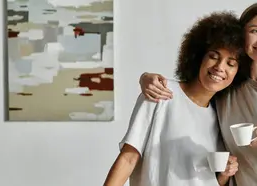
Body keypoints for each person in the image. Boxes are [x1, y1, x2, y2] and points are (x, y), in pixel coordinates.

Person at [138, 3, 257, 186]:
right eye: (255, 31)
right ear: (241, 36)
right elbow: (191, 94)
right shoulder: (226, 87)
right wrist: (146, 78)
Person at [103, 11, 247, 186]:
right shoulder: (161, 93)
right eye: (213, 56)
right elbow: (128, 158)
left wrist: (224, 174)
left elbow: (208, 179)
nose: (219, 67)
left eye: (230, 63)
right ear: (198, 56)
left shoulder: (221, 114)